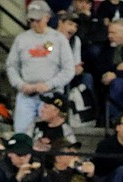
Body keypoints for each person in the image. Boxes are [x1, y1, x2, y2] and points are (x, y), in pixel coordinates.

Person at [6, 1, 75, 133]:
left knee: (49, 134)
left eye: (38, 20)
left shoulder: (59, 39)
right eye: (31, 20)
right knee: (22, 133)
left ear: (47, 17)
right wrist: (21, 85)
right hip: (26, 94)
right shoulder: (21, 39)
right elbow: (11, 66)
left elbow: (68, 69)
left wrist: (49, 84)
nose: (35, 23)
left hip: (51, 95)